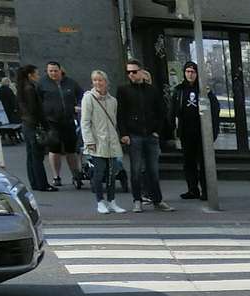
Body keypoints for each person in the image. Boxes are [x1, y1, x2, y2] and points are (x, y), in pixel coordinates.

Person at [116, 59, 175, 213]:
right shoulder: (123, 90)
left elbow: (161, 112)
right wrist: (123, 134)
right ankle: (137, 200)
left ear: (141, 72)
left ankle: (158, 200)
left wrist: (157, 131)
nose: (131, 75)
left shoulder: (152, 90)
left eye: (134, 72)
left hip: (150, 133)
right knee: (136, 169)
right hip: (134, 134)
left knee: (153, 169)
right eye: (128, 72)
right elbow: (120, 113)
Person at [79, 70, 127, 215]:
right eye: (95, 80)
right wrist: (89, 141)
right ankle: (100, 201)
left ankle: (111, 200)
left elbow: (115, 121)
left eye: (100, 80)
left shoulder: (112, 101)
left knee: (112, 173)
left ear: (106, 83)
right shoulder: (89, 98)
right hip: (97, 140)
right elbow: (85, 122)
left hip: (111, 141)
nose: (98, 83)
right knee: (99, 173)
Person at [171, 61, 220, 201]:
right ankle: (192, 189)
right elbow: (173, 110)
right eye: (188, 72)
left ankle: (206, 190)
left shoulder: (203, 90)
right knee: (189, 162)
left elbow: (215, 108)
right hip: (186, 132)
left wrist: (210, 95)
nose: (190, 74)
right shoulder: (179, 90)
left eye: (193, 72)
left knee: (205, 163)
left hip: (202, 132)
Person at [38, 61, 85, 189]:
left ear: (60, 70)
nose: (53, 73)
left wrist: (78, 106)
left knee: (71, 150)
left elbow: (83, 96)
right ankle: (56, 176)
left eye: (55, 71)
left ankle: (75, 175)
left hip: (68, 120)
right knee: (54, 150)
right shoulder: (42, 84)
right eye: (50, 71)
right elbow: (37, 101)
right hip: (51, 121)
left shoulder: (70, 83)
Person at [14, 65, 54, 192]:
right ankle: (42, 184)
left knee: (31, 156)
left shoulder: (20, 88)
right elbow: (35, 109)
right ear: (30, 75)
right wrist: (44, 123)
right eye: (36, 74)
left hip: (26, 124)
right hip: (34, 125)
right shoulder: (30, 89)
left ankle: (34, 183)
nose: (38, 76)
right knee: (37, 157)